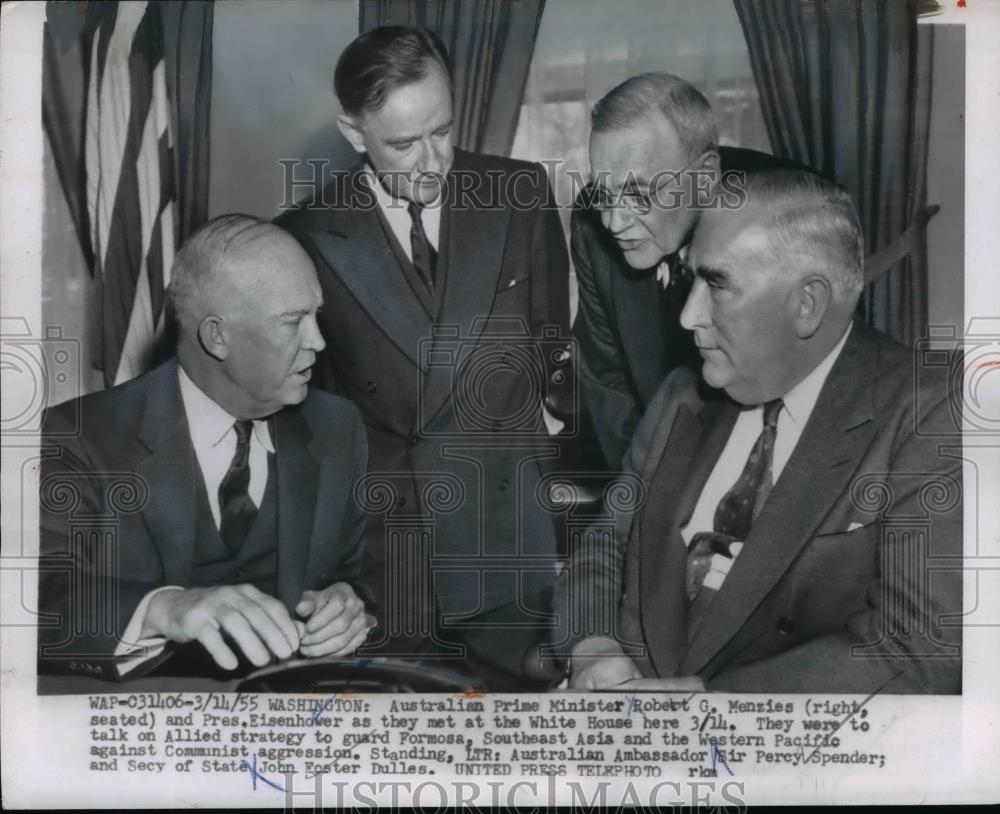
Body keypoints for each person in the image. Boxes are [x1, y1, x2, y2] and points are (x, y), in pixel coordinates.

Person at [560, 170, 962, 694]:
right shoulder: (683, 395)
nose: (687, 316)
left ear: (807, 304)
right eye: (690, 280)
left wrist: (708, 706)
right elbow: (606, 546)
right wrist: (592, 647)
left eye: (718, 284)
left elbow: (916, 649)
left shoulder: (933, 413)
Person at [276, 26, 570, 689]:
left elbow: (551, 349)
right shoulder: (306, 236)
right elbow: (313, 426)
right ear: (355, 135)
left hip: (508, 559)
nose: (432, 161)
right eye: (403, 144)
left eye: (442, 130)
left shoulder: (520, 195)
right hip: (389, 568)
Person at [37, 215, 372, 680]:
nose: (317, 341)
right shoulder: (77, 435)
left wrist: (347, 605)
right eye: (293, 322)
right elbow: (35, 597)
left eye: (316, 315)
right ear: (217, 337)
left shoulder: (337, 427)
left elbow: (362, 575)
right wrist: (162, 609)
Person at [574, 72, 809, 469]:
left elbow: (807, 397)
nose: (614, 222)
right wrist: (651, 498)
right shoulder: (589, 226)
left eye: (638, 194)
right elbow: (607, 382)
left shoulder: (788, 215)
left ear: (703, 178)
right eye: (605, 193)